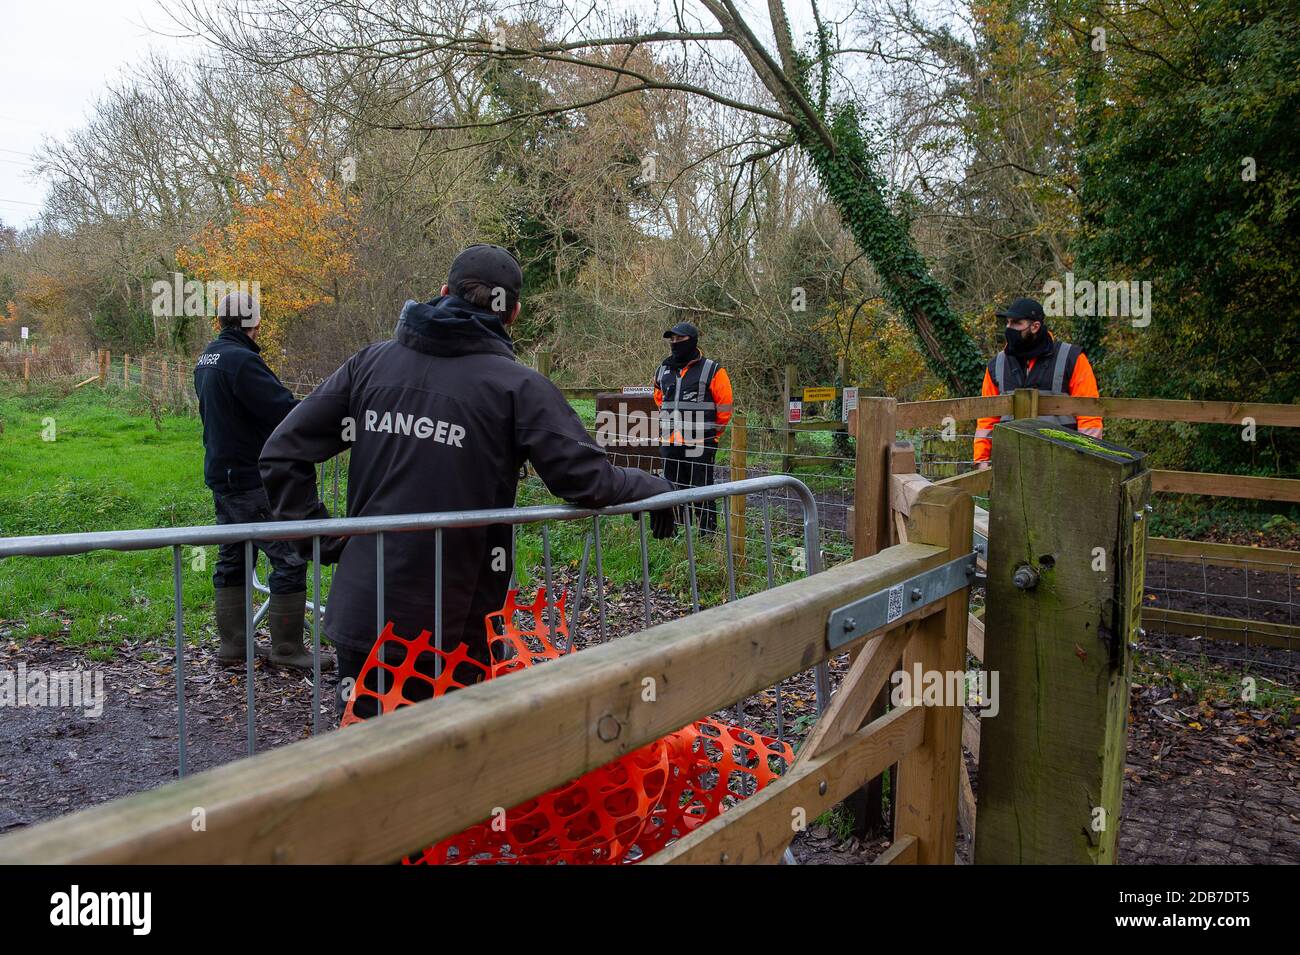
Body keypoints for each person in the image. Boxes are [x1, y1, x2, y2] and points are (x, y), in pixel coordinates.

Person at [258, 244, 675, 719]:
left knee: (362, 768)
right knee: (448, 771)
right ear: (512, 314)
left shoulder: (370, 364)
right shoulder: (517, 386)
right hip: (452, 628)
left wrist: (324, 539)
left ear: (442, 293)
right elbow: (588, 480)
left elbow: (282, 452)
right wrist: (656, 488)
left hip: (366, 612)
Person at [194, 291, 332, 671]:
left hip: (222, 476)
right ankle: (288, 649)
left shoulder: (207, 357)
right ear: (254, 323)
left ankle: (233, 645)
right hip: (253, 477)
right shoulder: (242, 361)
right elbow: (284, 411)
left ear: (220, 320)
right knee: (287, 554)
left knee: (234, 554)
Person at [974, 296, 1104, 467]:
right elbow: (987, 419)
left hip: (1063, 462)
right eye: (1008, 323)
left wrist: (1088, 461)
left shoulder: (1071, 358)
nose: (1009, 328)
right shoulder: (996, 365)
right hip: (1012, 466)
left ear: (1035, 326)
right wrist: (981, 462)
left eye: (1016, 323)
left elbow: (1089, 413)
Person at [652, 320, 733, 532]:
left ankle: (707, 537)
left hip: (700, 442)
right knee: (673, 491)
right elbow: (660, 399)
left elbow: (724, 407)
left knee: (702, 491)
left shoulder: (712, 370)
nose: (675, 342)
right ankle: (677, 535)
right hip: (670, 442)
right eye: (672, 339)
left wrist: (711, 434)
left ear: (693, 341)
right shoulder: (663, 369)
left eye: (680, 339)